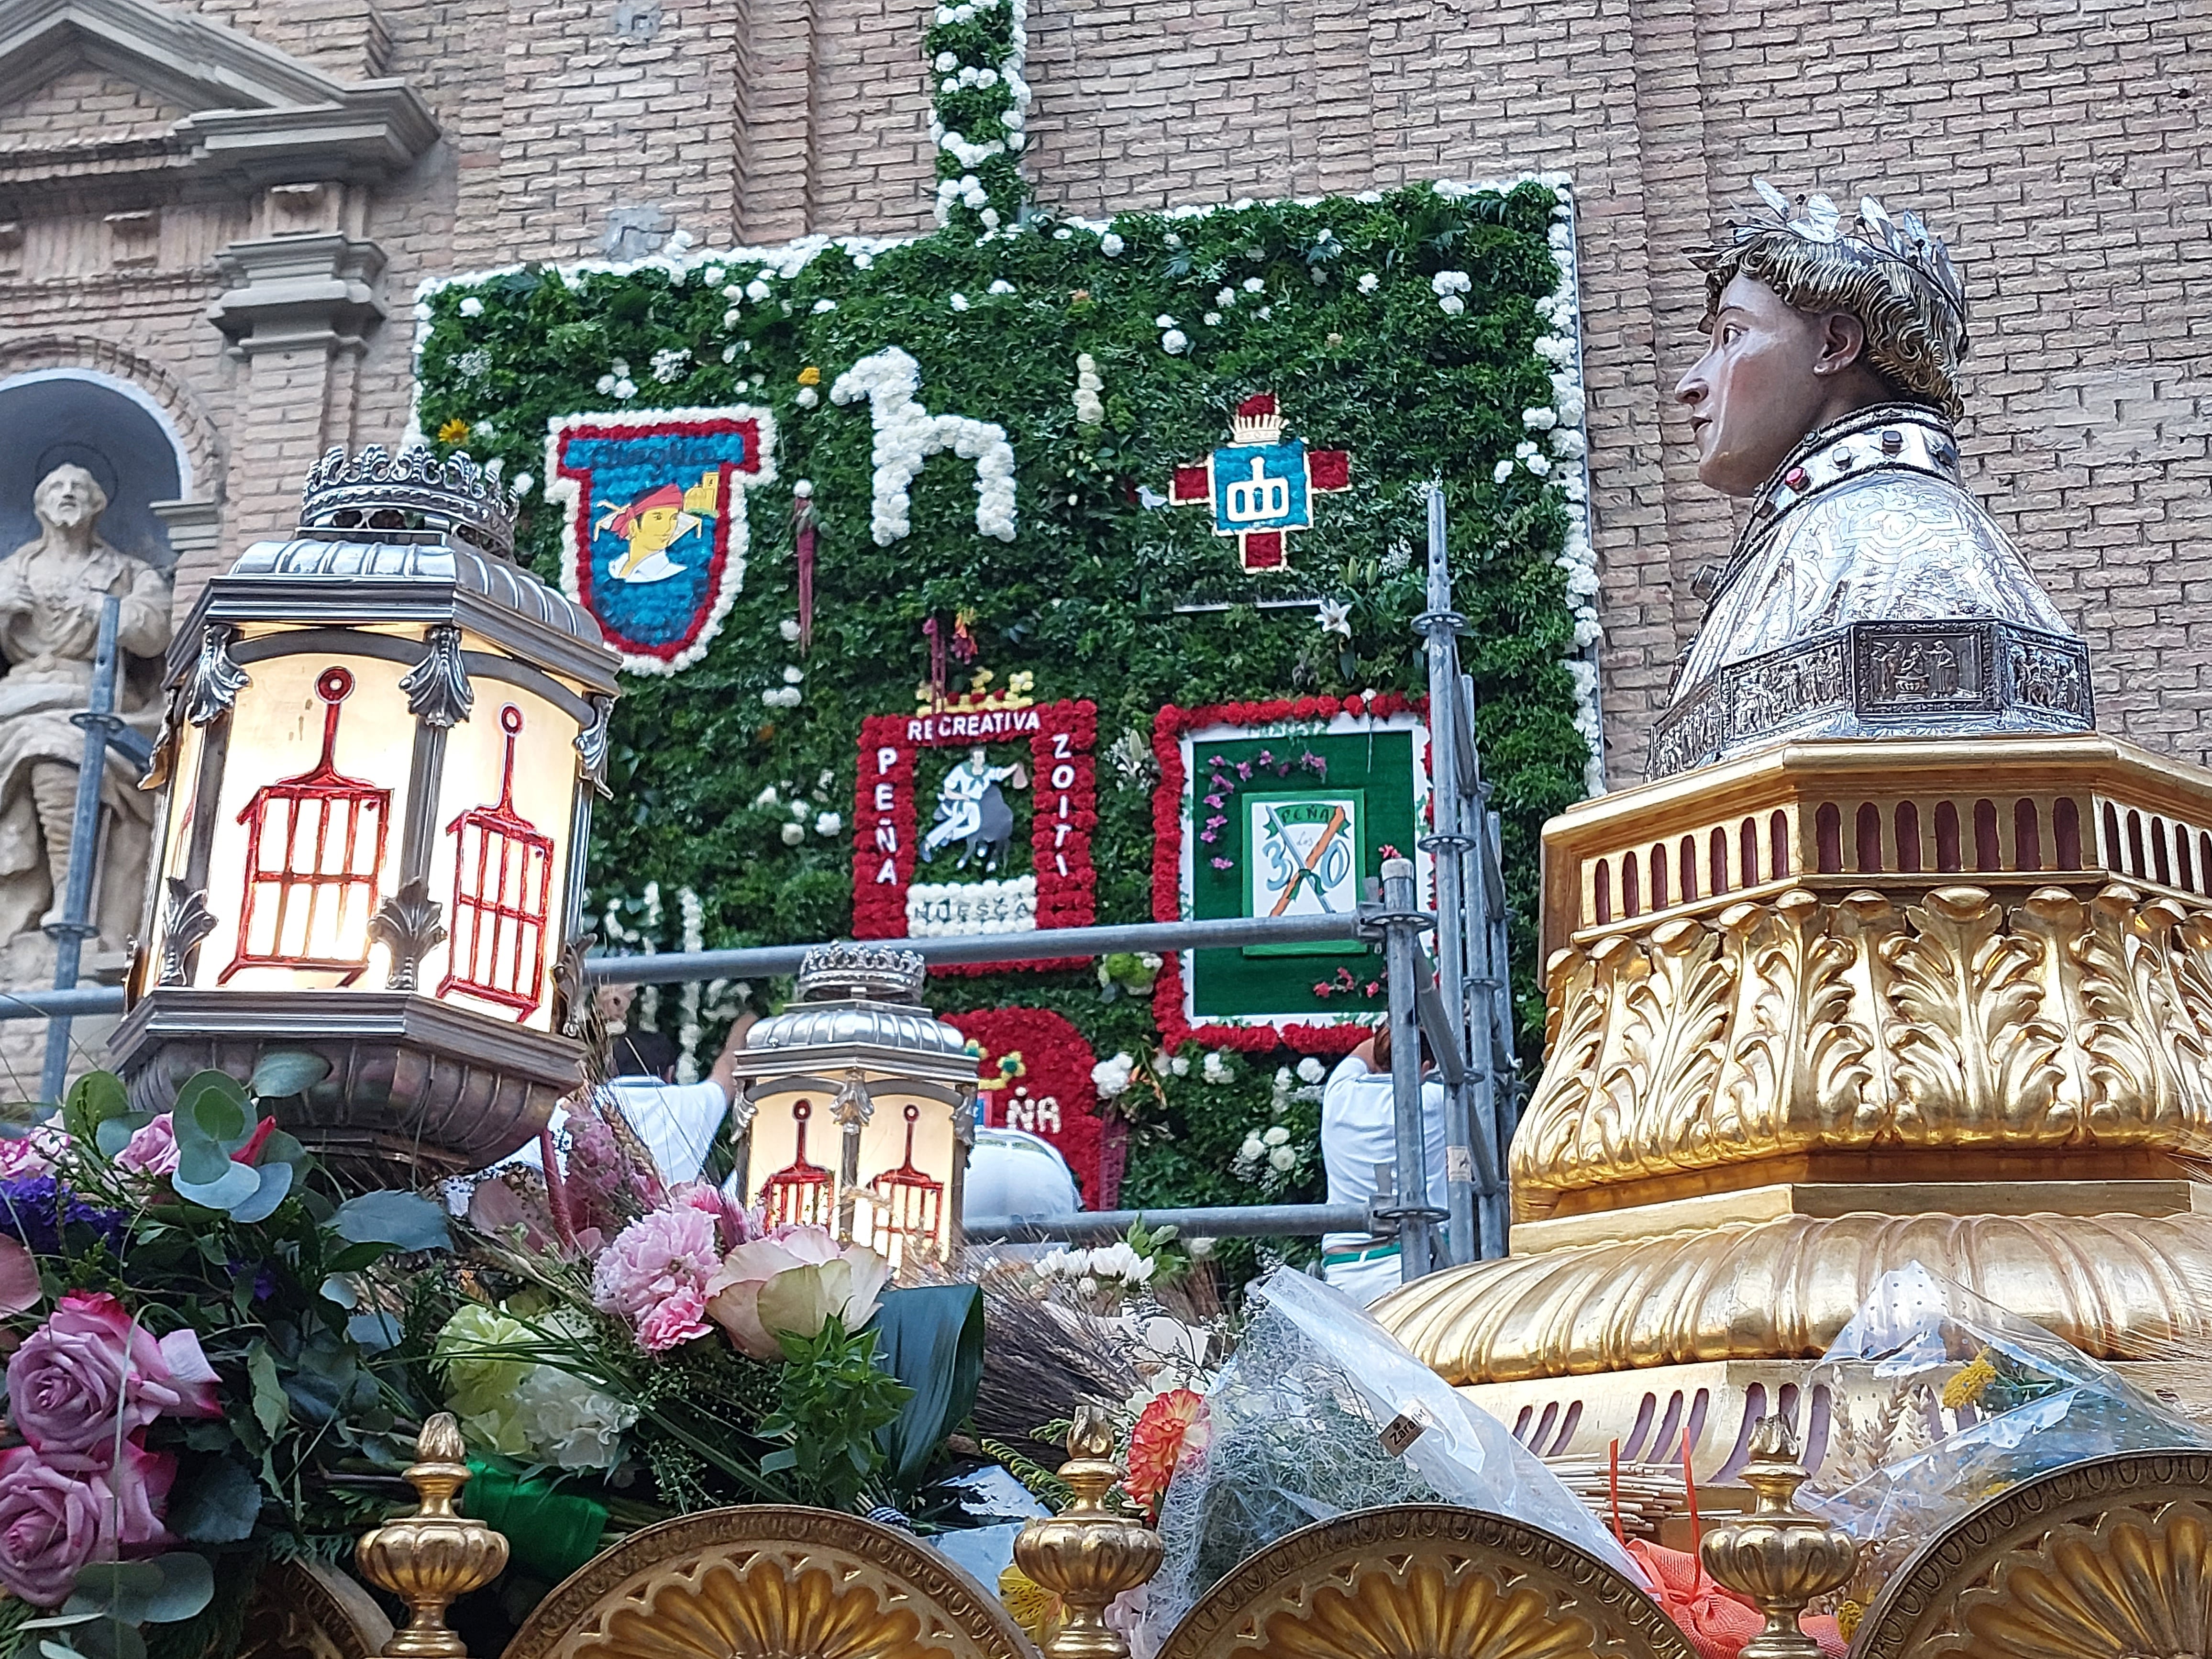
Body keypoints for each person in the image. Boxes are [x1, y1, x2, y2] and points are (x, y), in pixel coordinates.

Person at [1651, 183, 2085, 777]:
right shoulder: (1801, 535)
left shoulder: (1903, 540)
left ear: (1834, 344)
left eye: (1731, 336)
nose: (1690, 384)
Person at [0, 464, 171, 944]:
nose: (68, 493)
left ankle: (67, 903)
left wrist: (107, 610)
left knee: (55, 760)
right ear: (40, 504)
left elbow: (156, 630)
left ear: (98, 503)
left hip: (87, 696)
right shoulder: (12, 570)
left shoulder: (127, 572)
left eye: (79, 487)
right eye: (57, 487)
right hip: (16, 695)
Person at [1317, 1022, 1449, 1306]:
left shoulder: (1339, 1093)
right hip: (1414, 1262)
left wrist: (1397, 1022)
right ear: (1425, 1067)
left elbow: (1363, 1053)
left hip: (1344, 1268)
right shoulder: (1436, 1102)